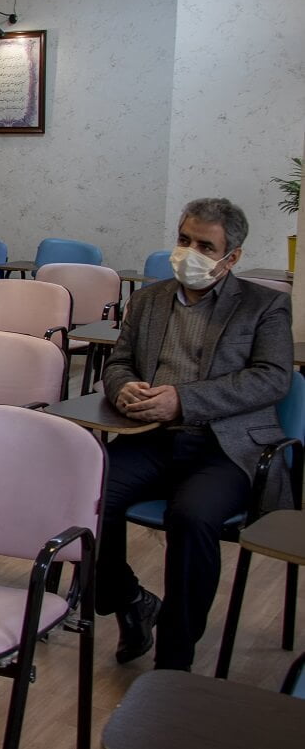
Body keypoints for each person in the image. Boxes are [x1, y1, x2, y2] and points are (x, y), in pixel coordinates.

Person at [97, 197, 293, 671]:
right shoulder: (149, 300)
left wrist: (184, 400)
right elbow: (118, 362)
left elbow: (272, 378)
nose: (190, 253)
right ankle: (130, 599)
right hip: (152, 438)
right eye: (184, 240)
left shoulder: (265, 305)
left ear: (232, 257)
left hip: (225, 448)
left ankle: (174, 660)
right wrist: (124, 388)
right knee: (86, 492)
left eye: (206, 246)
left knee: (191, 517)